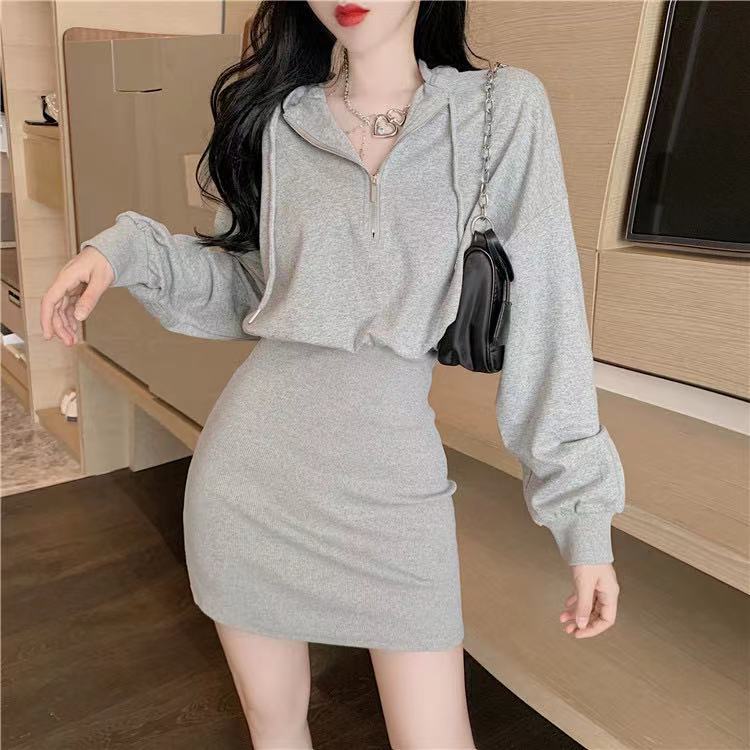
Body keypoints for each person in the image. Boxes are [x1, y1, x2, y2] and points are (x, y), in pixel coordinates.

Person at [40, 2, 626, 748]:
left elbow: (549, 319)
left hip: (395, 488)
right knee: (276, 729)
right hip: (251, 483)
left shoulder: (499, 110)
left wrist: (583, 519)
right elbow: (257, 290)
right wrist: (125, 252)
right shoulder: (284, 121)